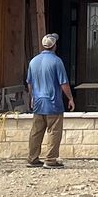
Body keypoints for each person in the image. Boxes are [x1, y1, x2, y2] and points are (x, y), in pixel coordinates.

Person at [26, 33, 74, 168]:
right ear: (54, 46)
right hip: (53, 103)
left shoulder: (33, 61)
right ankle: (51, 160)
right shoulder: (57, 61)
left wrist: (32, 97)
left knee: (36, 132)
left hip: (38, 102)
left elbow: (29, 82)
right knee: (54, 132)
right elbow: (63, 83)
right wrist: (70, 98)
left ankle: (32, 158)